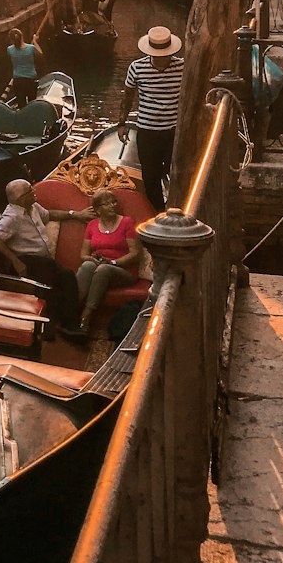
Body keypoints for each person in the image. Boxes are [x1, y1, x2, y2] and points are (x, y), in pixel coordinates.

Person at [0, 180, 93, 340]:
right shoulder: (12, 216)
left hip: (41, 261)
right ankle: (55, 327)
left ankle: (68, 324)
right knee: (54, 278)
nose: (33, 191)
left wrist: (75, 214)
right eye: (30, 190)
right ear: (21, 198)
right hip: (26, 261)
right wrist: (16, 261)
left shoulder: (33, 207)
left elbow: (49, 215)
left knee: (67, 276)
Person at [118, 25, 184, 210]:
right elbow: (127, 97)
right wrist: (121, 124)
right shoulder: (137, 68)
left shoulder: (183, 66)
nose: (163, 59)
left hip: (174, 130)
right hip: (147, 130)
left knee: (175, 171)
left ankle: (175, 207)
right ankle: (158, 211)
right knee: (149, 176)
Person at [75, 189, 142, 333]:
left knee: (103, 269)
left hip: (123, 270)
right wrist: (92, 259)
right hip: (99, 265)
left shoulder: (126, 222)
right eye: (107, 204)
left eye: (114, 202)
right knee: (87, 265)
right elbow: (83, 255)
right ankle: (72, 309)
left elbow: (135, 253)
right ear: (98, 209)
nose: (112, 206)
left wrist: (113, 262)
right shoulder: (92, 225)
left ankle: (86, 316)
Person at [4, 27, 43, 104]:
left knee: (21, 103)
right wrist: (35, 41)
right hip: (31, 80)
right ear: (22, 37)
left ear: (11, 40)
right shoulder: (31, 48)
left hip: (18, 80)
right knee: (32, 103)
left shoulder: (9, 50)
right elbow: (40, 54)